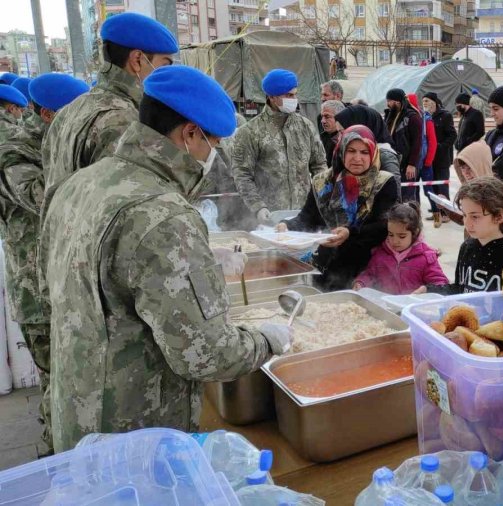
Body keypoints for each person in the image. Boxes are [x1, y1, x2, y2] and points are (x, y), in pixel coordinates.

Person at [40, 66, 292, 453]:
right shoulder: (164, 215)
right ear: (190, 134)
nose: (215, 156)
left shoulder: (79, 183)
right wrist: (267, 341)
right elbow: (205, 356)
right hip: (135, 429)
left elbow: (59, 284)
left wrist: (200, 260)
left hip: (77, 409)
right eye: (215, 143)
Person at [0, 75, 88, 454]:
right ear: (50, 114)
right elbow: (46, 199)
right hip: (39, 293)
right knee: (58, 387)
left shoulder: (60, 143)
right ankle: (59, 464)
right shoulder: (15, 152)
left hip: (68, 285)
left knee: (76, 384)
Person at [42, 12, 177, 196]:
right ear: (138, 60)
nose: (168, 74)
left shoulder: (69, 110)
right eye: (166, 64)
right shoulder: (124, 120)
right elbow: (133, 202)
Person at [275, 125, 400, 291]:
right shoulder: (323, 182)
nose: (357, 158)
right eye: (351, 151)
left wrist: (350, 232)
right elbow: (308, 218)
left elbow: (385, 226)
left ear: (373, 153)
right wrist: (287, 225)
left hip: (367, 270)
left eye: (364, 152)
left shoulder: (383, 182)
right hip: (327, 265)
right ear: (341, 151)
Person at [232, 69, 327, 225]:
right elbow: (242, 174)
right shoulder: (250, 132)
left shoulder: (305, 126)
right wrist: (258, 207)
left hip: (303, 215)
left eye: (295, 94)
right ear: (272, 97)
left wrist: (321, 198)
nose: (294, 99)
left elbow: (319, 166)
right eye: (289, 96)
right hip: (270, 216)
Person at [422, 176, 503, 294]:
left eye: (475, 216)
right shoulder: (468, 247)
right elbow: (459, 289)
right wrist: (429, 290)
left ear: (499, 216)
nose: (466, 222)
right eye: (465, 215)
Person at [353, 202, 448, 294]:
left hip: (412, 308)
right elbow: (370, 274)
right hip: (386, 305)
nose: (395, 241)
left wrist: (428, 289)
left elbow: (440, 284)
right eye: (391, 234)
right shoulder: (380, 254)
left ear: (415, 233)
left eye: (401, 236)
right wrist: (361, 283)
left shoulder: (426, 258)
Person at [333, 103, 401, 179]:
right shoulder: (342, 151)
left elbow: (393, 188)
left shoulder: (384, 156)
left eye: (342, 132)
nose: (339, 138)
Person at [422, 92, 457, 227]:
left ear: (434, 102)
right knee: (433, 185)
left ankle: (446, 213)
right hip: (430, 158)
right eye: (423, 100)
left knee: (442, 185)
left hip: (442, 158)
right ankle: (437, 211)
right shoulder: (425, 117)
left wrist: (440, 146)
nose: (425, 103)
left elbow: (452, 135)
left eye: (427, 100)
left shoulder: (445, 116)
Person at [384, 88, 424, 203]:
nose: (388, 104)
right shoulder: (390, 115)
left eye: (389, 101)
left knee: (407, 199)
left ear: (397, 102)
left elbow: (417, 143)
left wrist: (412, 164)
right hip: (392, 161)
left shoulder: (412, 117)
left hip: (406, 164)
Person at [407, 93, 437, 207]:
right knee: (413, 192)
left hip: (425, 162)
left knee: (428, 190)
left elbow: (432, 142)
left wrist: (428, 162)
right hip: (414, 162)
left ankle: (437, 214)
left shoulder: (426, 119)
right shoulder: (408, 118)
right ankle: (416, 216)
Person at [320, 100, 345, 167]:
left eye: (327, 117)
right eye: (322, 116)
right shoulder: (321, 138)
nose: (323, 121)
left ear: (340, 117)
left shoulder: (345, 141)